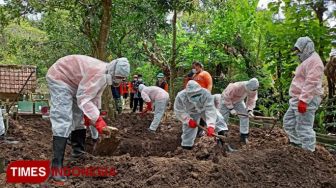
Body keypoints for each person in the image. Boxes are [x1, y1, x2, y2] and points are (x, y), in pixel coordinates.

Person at [46, 55, 130, 182]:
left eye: (122, 79)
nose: (119, 81)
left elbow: (94, 99)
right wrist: (99, 122)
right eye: (118, 78)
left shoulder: (105, 74)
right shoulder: (98, 73)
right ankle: (56, 167)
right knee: (63, 119)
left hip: (76, 84)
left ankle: (78, 153)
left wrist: (96, 130)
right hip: (60, 78)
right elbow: (85, 99)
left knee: (79, 118)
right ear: (113, 72)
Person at [283, 36, 324, 152]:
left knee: (304, 127)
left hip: (306, 99)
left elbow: (311, 82)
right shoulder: (307, 61)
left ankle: (308, 153)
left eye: (299, 50)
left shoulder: (315, 62)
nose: (298, 53)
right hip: (297, 98)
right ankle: (297, 145)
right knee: (288, 122)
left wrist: (304, 100)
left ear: (307, 47)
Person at [174, 80, 227, 150]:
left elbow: (210, 109)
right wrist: (187, 120)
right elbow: (179, 110)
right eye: (193, 95)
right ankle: (186, 147)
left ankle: (222, 141)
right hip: (191, 112)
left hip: (204, 109)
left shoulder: (206, 93)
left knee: (218, 119)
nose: (195, 96)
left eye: (197, 94)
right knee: (189, 128)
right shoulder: (181, 96)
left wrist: (211, 125)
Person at [219, 78, 259, 144]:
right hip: (226, 101)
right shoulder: (236, 86)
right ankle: (221, 136)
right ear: (247, 87)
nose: (252, 91)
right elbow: (226, 97)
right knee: (223, 119)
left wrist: (249, 110)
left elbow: (251, 99)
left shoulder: (253, 89)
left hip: (238, 101)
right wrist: (231, 108)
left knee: (245, 116)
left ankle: (244, 135)